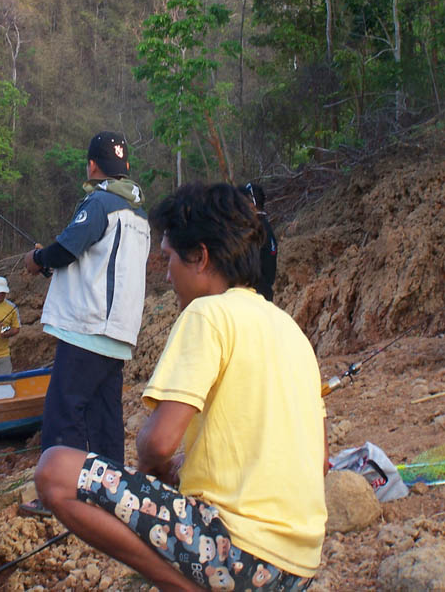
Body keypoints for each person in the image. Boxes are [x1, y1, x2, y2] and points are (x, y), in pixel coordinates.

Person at [33, 182, 327, 591]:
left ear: (200, 257)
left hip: (237, 556)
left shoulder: (208, 313)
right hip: (299, 569)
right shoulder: (291, 330)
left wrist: (158, 474)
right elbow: (320, 457)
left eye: (170, 258)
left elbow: (156, 445)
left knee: (56, 470)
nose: (167, 273)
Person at [24, 131, 150, 473]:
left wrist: (37, 259)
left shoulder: (99, 203)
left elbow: (66, 249)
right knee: (104, 417)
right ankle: (111, 492)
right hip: (119, 333)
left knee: (65, 411)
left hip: (88, 327)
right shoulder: (140, 214)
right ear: (124, 167)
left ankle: (60, 488)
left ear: (92, 165)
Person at [239, 181, 278, 301]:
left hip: (255, 295)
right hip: (264, 294)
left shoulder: (255, 230)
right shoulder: (265, 226)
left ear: (252, 204)